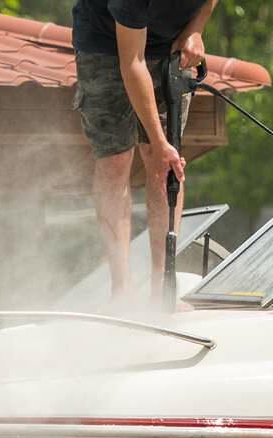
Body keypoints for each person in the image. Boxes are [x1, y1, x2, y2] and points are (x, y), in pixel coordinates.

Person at [72, 0, 217, 305]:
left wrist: (196, 30)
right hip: (106, 44)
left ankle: (163, 288)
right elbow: (132, 62)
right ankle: (121, 292)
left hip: (168, 46)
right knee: (115, 159)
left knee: (165, 166)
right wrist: (159, 140)